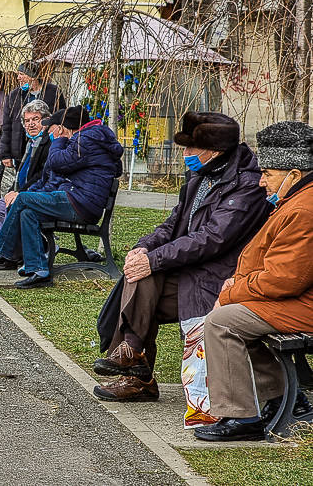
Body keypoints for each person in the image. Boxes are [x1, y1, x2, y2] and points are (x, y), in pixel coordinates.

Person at [92, 112, 271, 410]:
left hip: (221, 277)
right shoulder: (202, 176)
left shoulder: (247, 186)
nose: (184, 154)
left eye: (190, 149)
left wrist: (155, 259)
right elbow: (173, 223)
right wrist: (143, 248)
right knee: (142, 275)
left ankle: (135, 366)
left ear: (214, 151)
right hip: (192, 271)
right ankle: (135, 361)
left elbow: (213, 239)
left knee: (146, 280)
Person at [195, 121, 313, 442]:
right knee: (231, 317)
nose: (261, 181)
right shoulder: (299, 200)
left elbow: (283, 279)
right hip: (298, 300)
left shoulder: (304, 208)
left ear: (294, 174)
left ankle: (241, 417)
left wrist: (233, 290)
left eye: (268, 174)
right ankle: (286, 398)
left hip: (304, 305)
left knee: (222, 323)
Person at [0, 106, 123, 288]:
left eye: (53, 129)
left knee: (23, 199)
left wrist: (58, 140)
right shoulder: (89, 138)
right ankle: (39, 271)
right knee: (28, 213)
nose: (49, 133)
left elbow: (56, 162)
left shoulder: (86, 139)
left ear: (63, 127)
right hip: (79, 199)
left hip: (81, 203)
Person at [0, 100, 53, 229]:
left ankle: (9, 247)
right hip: (25, 192)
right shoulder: (31, 143)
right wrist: (12, 192)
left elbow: (41, 175)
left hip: (39, 195)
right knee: (0, 205)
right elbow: (22, 173)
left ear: (46, 120)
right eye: (27, 121)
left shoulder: (49, 143)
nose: (30, 124)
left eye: (35, 119)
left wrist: (19, 193)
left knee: (12, 207)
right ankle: (13, 246)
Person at [0, 60, 65, 171]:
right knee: (22, 180)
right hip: (22, 149)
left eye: (22, 74)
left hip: (46, 148)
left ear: (33, 77)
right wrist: (5, 154)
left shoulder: (53, 92)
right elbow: (6, 125)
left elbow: (62, 118)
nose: (18, 78)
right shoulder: (14, 95)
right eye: (18, 74)